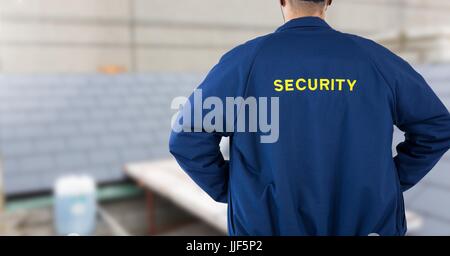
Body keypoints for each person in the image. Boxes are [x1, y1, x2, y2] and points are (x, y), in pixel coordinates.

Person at [169, 0, 450, 236]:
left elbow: (187, 138)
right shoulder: (375, 59)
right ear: (328, 1)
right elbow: (437, 127)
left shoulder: (245, 62)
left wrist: (234, 189)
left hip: (267, 226)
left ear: (281, 0)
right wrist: (389, 180)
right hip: (367, 222)